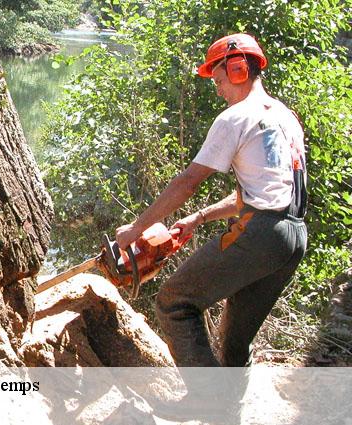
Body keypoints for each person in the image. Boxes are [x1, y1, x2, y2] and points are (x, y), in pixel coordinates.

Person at [115, 33, 308, 368]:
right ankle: (228, 414)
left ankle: (207, 401)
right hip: (293, 237)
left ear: (238, 69)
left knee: (175, 302)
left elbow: (187, 182)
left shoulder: (236, 116)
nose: (218, 90)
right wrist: (198, 217)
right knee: (235, 339)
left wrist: (137, 228)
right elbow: (261, 192)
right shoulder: (285, 116)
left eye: (219, 80)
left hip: (260, 234)